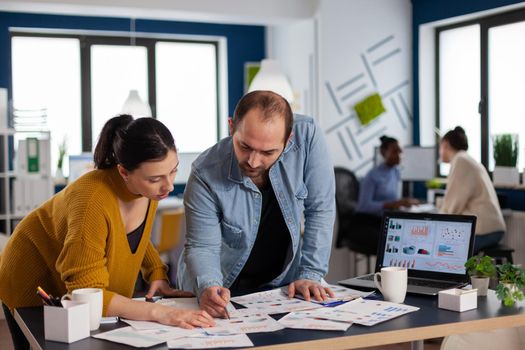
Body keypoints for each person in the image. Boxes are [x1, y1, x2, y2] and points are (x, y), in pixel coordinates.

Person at [0, 115, 214, 350]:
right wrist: (159, 312)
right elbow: (86, 292)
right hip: (31, 278)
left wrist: (156, 273)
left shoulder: (149, 190)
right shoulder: (92, 201)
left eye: (173, 171)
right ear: (123, 172)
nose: (169, 186)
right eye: (155, 178)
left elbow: (135, 236)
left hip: (71, 282)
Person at [176, 90, 336, 318]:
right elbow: (203, 246)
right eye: (245, 146)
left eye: (268, 152)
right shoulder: (205, 172)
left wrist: (310, 273)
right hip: (222, 285)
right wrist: (209, 287)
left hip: (280, 287)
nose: (253, 161)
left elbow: (320, 209)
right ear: (231, 127)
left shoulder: (307, 136)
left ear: (288, 140)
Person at [439, 126, 506, 252]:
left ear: (446, 144)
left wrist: (435, 223)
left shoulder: (460, 160)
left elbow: (453, 206)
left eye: (440, 147)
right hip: (493, 228)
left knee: (441, 248)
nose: (440, 152)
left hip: (483, 231)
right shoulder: (467, 159)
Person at [351, 136, 419, 254]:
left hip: (388, 220)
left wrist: (403, 203)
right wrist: (392, 204)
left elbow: (393, 199)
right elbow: (363, 206)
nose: (399, 155)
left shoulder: (396, 171)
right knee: (401, 242)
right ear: (383, 153)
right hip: (371, 223)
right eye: (394, 151)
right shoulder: (372, 176)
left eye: (400, 151)